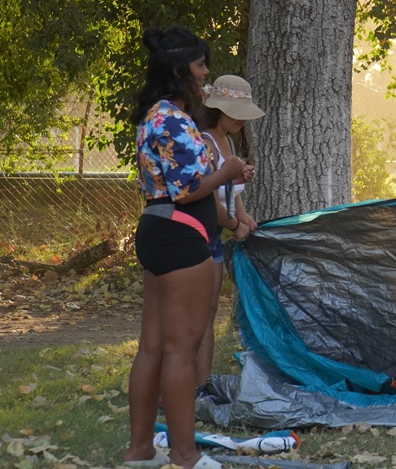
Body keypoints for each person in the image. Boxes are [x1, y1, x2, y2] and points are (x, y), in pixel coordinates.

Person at [124, 26, 250, 469]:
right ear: (179, 70)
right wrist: (229, 169)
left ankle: (140, 451)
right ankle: (186, 457)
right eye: (200, 64)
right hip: (183, 235)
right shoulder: (174, 120)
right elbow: (190, 188)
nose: (205, 72)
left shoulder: (151, 116)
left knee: (152, 349)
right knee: (181, 350)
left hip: (155, 228)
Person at [193, 74, 265, 385]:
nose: (240, 120)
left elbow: (229, 192)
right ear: (218, 109)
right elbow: (209, 202)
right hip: (200, 235)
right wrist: (235, 224)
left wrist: (245, 217)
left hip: (215, 237)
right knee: (196, 317)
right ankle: (188, 383)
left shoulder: (230, 141)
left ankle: (203, 381)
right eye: (235, 112)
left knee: (209, 313)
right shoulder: (205, 142)